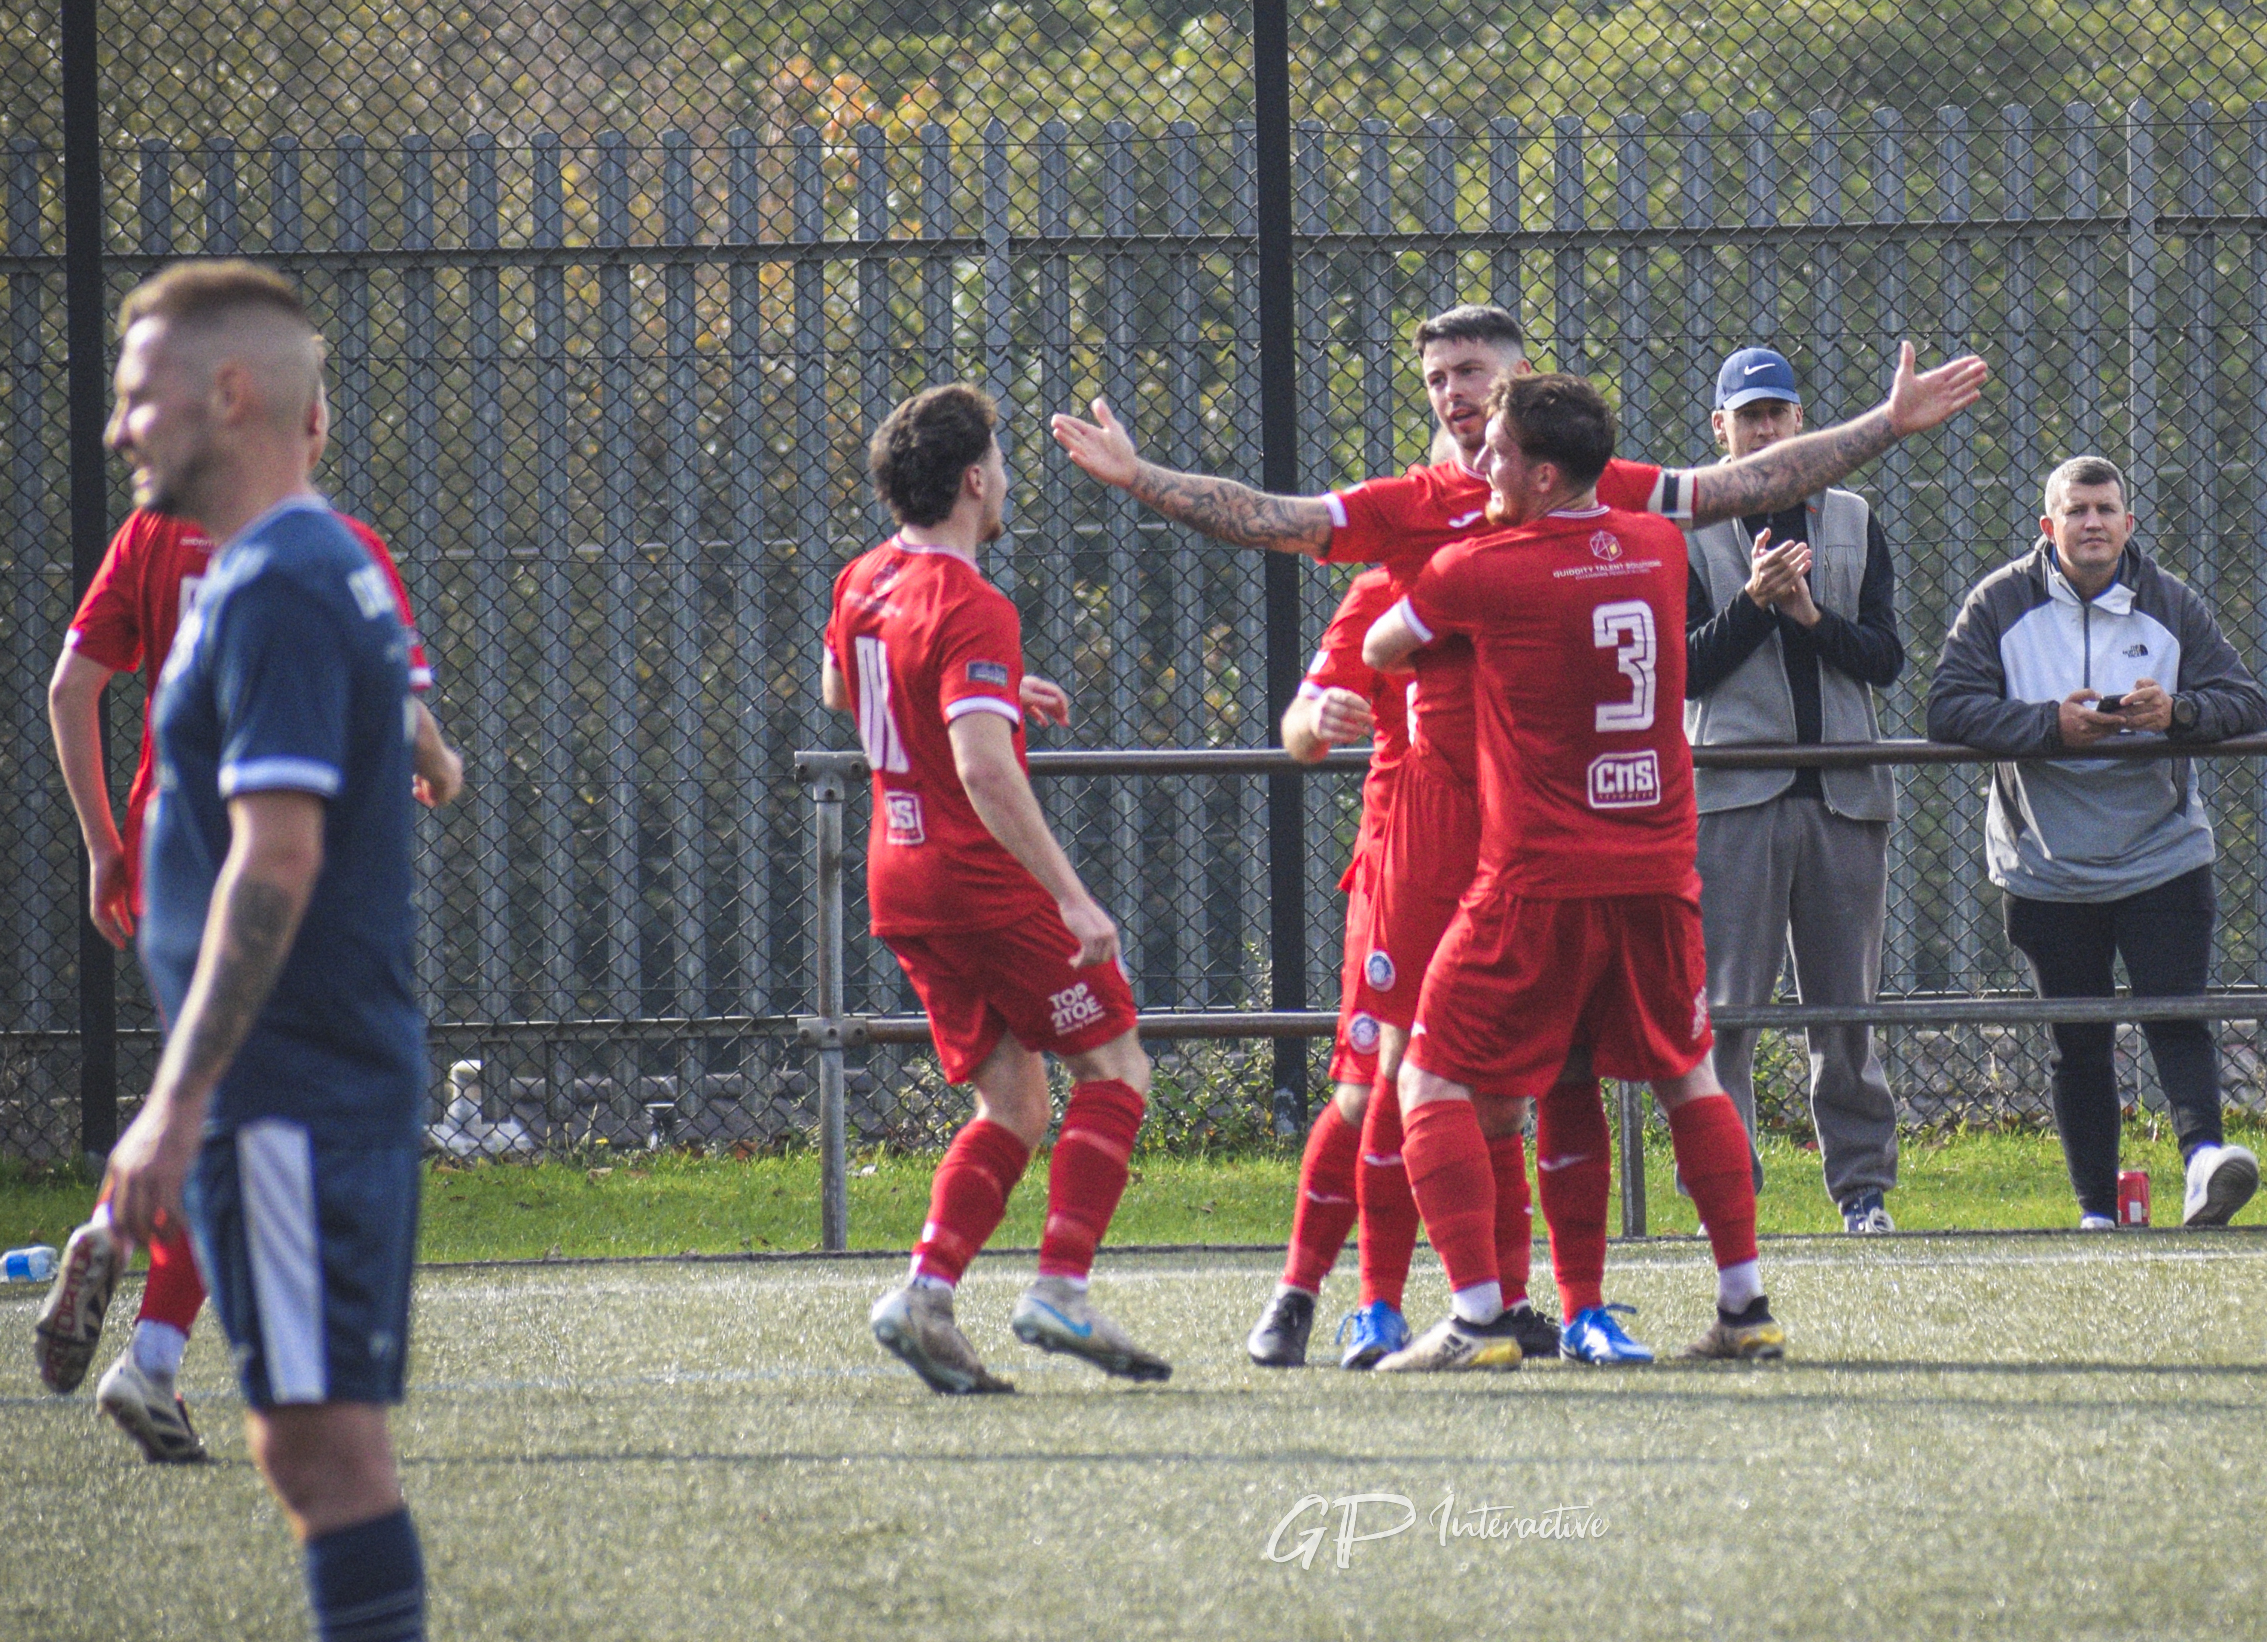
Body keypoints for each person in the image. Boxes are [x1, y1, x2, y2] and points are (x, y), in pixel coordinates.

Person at [1055, 309, 1986, 1366]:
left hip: (1533, 850)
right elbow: (1308, 615)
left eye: (1475, 377)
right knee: (1409, 1076)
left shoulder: (1522, 524)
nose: (1456, 397)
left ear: (1521, 398)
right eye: (1439, 376)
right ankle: (1347, 1297)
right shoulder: (1525, 516)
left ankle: (1527, 1308)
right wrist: (1317, 710)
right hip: (1492, 836)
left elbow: (1748, 485)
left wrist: (1145, 483)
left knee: (1499, 1079)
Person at [91, 259, 435, 1641]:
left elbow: (276, 856)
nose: (122, 427)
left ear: (229, 394)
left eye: (139, 394)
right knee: (309, 1444)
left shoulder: (278, 584)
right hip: (295, 1091)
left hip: (288, 1100)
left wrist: (173, 1104)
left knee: (322, 1450)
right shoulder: (303, 564)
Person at [37, 401, 461, 1464]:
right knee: (261, 1109)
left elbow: (70, 686)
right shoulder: (339, 552)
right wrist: (441, 763)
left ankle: (146, 1322)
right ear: (314, 425)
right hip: (282, 857)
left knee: (221, 1082)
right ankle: (154, 1334)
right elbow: (399, 707)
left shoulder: (149, 535)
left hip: (164, 851)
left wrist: (99, 845)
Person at [1361, 371, 1779, 1369]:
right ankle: (1745, 1306)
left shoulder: (1481, 565)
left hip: (1534, 878)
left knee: (1430, 1077)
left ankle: (1476, 1318)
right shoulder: (1656, 544)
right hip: (1657, 865)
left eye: (1498, 448)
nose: (1479, 461)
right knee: (1688, 1074)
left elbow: (1383, 642)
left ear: (1544, 472)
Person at [823, 383, 1170, 1394]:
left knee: (1014, 1100)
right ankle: (1059, 1287)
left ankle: (926, 1294)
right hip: (978, 875)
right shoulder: (975, 602)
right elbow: (981, 767)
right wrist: (1070, 894)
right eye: (1003, 462)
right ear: (975, 479)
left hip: (900, 871)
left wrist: (992, 684)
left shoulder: (863, 578)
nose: (1008, 478)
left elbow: (847, 688)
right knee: (1116, 1065)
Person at [1926, 455, 2267, 1229]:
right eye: (2075, 510)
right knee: (2077, 1042)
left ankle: (2204, 1162)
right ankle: (2095, 1211)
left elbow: (2246, 702)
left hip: (2162, 854)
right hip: (2046, 865)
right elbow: (1947, 708)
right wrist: (2052, 725)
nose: (2091, 523)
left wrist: (2175, 713)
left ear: (2128, 524)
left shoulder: (2171, 603)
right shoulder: (1997, 603)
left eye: (2105, 509)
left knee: (2176, 1015)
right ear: (2047, 526)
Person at [1682, 347, 1906, 1233]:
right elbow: (1684, 672)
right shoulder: (1689, 523)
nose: (1765, 429)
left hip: (1844, 793)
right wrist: (1754, 604)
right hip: (1733, 796)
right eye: (1749, 416)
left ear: (1803, 421)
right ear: (1720, 430)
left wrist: (1808, 616)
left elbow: (1885, 659)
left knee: (1845, 1011)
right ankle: (1725, 1189)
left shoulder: (1851, 515)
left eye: (1778, 413)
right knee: (1725, 1012)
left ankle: (1862, 1190)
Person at [1244, 563, 1416, 1365]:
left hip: (1515, 860)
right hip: (1402, 871)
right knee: (1365, 1088)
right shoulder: (1384, 585)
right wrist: (1319, 719)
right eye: (1458, 423)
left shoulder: (1545, 554)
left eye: (1490, 426)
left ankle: (1510, 1302)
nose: (1474, 432)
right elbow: (1297, 730)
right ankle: (1305, 1292)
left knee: (1504, 1097)